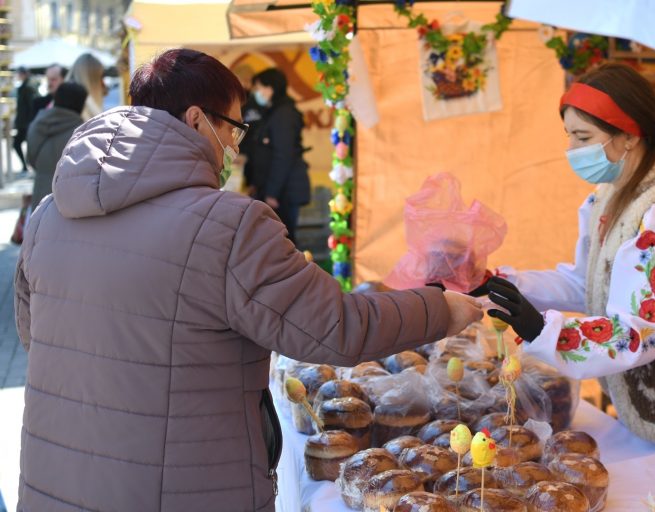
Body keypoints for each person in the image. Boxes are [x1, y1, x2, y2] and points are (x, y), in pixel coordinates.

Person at [14, 48, 483, 511]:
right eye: (234, 128)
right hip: (179, 488)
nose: (236, 148)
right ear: (198, 120)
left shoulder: (49, 216)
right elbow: (334, 326)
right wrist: (440, 309)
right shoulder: (227, 224)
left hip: (56, 481)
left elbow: (37, 336)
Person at [482, 63, 655, 466]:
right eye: (568, 137)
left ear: (630, 136)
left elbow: (638, 331)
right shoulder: (612, 195)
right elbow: (587, 284)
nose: (571, 151)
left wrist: (544, 331)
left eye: (583, 137)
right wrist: (503, 284)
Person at [249, 67, 311, 243]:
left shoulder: (283, 114)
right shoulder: (274, 112)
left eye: (259, 87)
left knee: (285, 242)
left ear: (271, 88)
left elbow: (283, 156)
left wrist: (272, 193)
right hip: (277, 190)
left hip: (283, 192)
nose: (257, 93)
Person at [26, 82, 87, 209]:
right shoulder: (82, 132)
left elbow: (30, 160)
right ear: (80, 103)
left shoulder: (36, 124)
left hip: (40, 196)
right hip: (69, 199)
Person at [12, 66, 39, 172]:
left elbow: (32, 106)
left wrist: (30, 122)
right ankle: (27, 166)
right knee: (20, 144)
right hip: (24, 123)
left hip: (27, 123)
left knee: (25, 145)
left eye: (19, 74)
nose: (18, 76)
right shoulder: (25, 86)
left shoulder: (28, 87)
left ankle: (30, 166)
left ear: (23, 74)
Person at [66, 52, 105, 120]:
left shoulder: (65, 94)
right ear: (92, 78)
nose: (102, 82)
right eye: (100, 77)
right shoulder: (83, 101)